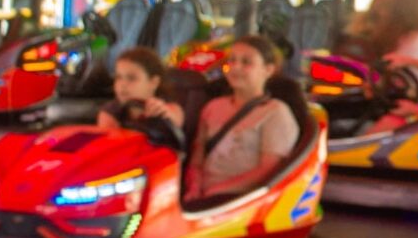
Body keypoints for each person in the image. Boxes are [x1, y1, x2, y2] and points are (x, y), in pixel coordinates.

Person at [190, 34, 300, 202]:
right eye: (232, 60)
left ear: (268, 70)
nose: (236, 67)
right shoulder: (212, 107)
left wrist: (218, 191)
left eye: (246, 62)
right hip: (203, 196)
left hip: (242, 200)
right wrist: (194, 187)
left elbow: (268, 170)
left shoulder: (276, 112)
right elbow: (197, 158)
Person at [97, 47, 182, 134]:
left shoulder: (169, 106)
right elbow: (108, 139)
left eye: (132, 78)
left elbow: (177, 120)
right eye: (118, 77)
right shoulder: (110, 112)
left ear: (153, 83)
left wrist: (164, 112)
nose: (122, 84)